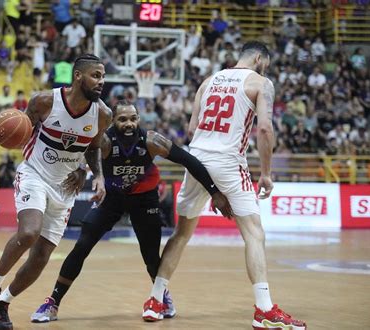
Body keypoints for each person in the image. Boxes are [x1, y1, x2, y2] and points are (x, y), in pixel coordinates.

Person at [141, 41, 307, 329]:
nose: (265, 67)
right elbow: (265, 129)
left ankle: (155, 300)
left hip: (197, 159)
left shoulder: (209, 80)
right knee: (254, 233)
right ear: (259, 58)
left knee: (182, 233)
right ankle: (264, 309)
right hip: (229, 162)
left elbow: (192, 129)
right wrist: (266, 173)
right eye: (264, 63)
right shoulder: (260, 82)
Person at [29, 99, 233, 323]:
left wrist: (214, 192)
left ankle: (161, 296)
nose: (129, 123)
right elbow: (81, 154)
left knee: (151, 257)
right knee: (82, 245)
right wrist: (81, 171)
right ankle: (53, 303)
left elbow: (189, 161)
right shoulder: (104, 141)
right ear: (113, 121)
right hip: (112, 199)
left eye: (133, 119)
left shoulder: (152, 141)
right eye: (123, 119)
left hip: (144, 200)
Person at [0, 54, 112, 330]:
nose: (101, 82)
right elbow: (22, 131)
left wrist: (94, 174)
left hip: (65, 189)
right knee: (28, 232)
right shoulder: (44, 101)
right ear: (78, 76)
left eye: (103, 76)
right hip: (34, 174)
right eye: (96, 75)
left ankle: (3, 304)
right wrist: (5, 130)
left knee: (41, 257)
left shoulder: (103, 114)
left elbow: (95, 147)